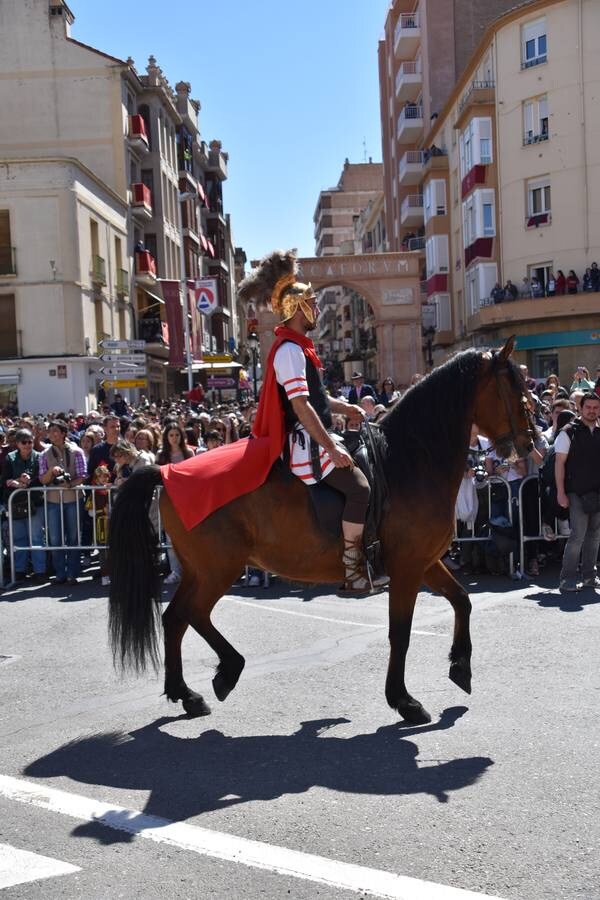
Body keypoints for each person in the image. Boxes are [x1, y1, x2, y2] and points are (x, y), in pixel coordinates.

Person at [238, 249, 388, 595]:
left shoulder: (299, 348)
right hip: (305, 445)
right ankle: (352, 572)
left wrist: (346, 407)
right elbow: (302, 407)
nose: (317, 309)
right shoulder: (289, 351)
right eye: (312, 303)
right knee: (360, 488)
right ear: (297, 309)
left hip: (314, 434)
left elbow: (318, 401)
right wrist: (330, 449)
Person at [554, 392, 600, 591]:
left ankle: (590, 576)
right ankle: (567, 578)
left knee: (595, 535)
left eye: (596, 407)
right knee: (578, 535)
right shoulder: (568, 432)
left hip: (598, 492)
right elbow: (559, 464)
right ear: (580, 409)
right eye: (588, 407)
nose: (592, 411)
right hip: (575, 492)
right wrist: (560, 492)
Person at [38, 420, 87, 585]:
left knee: (73, 537)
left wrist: (70, 484)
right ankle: (60, 573)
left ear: (64, 433)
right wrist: (51, 472)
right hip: (52, 500)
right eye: (49, 431)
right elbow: (42, 479)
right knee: (54, 538)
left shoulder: (77, 451)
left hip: (73, 498)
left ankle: (73, 572)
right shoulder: (44, 455)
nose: (51, 434)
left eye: (55, 431)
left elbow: (82, 475)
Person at [1, 428, 46, 582]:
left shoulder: (40, 457)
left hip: (35, 502)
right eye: (24, 442)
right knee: (19, 538)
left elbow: (42, 478)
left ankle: (40, 571)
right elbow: (5, 480)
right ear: (17, 444)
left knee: (36, 537)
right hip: (16, 503)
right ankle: (20, 570)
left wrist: (29, 482)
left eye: (30, 441)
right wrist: (15, 482)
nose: (28, 445)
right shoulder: (9, 458)